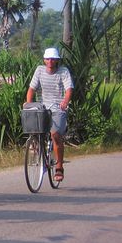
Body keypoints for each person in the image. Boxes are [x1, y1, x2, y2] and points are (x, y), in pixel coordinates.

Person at [25, 47, 73, 181]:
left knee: (55, 134)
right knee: (34, 128)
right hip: (43, 107)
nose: (50, 61)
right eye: (47, 59)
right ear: (44, 60)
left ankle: (59, 166)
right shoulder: (39, 70)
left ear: (57, 60)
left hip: (58, 108)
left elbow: (69, 89)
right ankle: (36, 147)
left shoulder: (63, 71)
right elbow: (31, 89)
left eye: (52, 59)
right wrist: (29, 103)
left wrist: (65, 101)